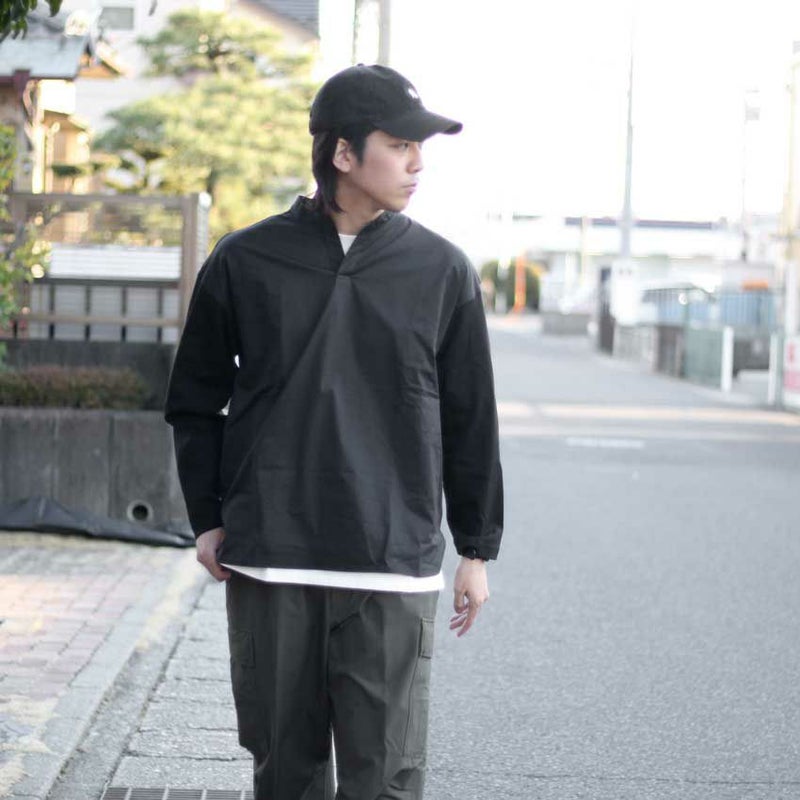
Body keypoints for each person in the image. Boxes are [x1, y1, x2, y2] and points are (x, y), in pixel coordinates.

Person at [164, 63, 504, 800]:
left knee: (386, 779)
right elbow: (194, 400)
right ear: (343, 153)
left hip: (390, 563)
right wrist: (208, 518)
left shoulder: (442, 270)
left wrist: (476, 549)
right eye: (400, 144)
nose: (417, 163)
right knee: (284, 774)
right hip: (272, 560)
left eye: (419, 147)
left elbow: (470, 416)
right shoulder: (245, 259)